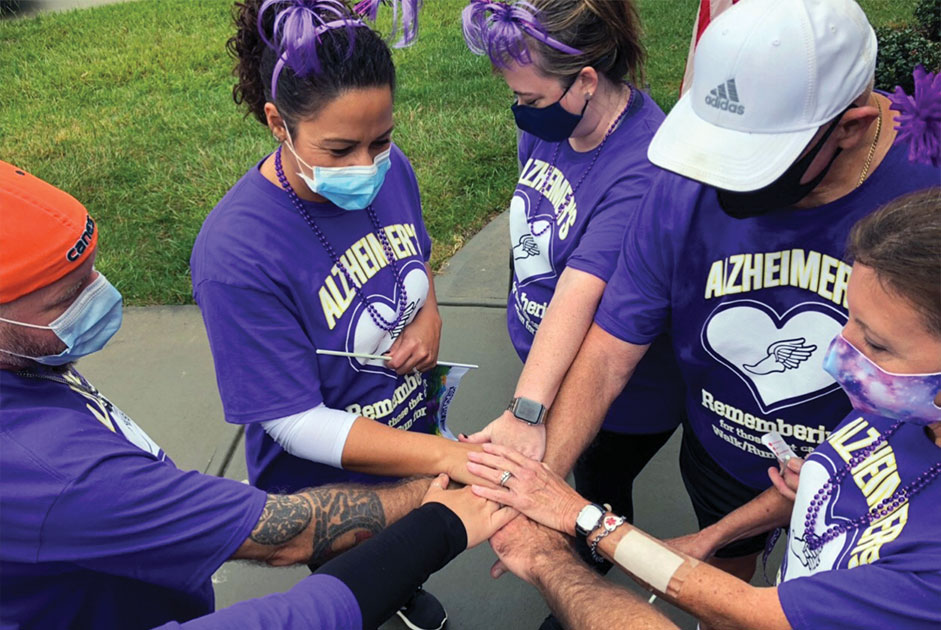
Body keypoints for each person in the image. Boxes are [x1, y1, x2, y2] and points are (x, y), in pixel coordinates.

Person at [528, 0, 941, 590]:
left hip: (884, 484)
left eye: (753, 161)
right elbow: (609, 352)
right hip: (724, 449)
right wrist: (542, 481)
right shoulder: (683, 180)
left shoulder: (927, 192)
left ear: (850, 128)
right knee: (727, 582)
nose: (716, 178)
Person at [0, 161, 513, 630]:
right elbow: (286, 538)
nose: (103, 294)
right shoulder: (55, 471)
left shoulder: (24, 363)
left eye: (92, 273)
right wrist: (441, 504)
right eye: (68, 298)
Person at [471, 187, 941, 630]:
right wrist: (711, 538)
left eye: (876, 343)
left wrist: (560, 544)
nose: (838, 351)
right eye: (848, 318)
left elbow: (748, 613)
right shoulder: (905, 407)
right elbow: (815, 491)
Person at [190, 2, 479, 626]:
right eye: (340, 148)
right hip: (327, 478)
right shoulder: (236, 253)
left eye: (382, 140)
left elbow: (415, 253)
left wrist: (428, 314)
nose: (366, 167)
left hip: (406, 428)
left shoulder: (391, 172)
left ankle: (403, 587)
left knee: (409, 551)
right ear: (278, 122)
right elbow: (294, 422)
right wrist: (442, 458)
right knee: (355, 580)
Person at [459, 0, 685, 605]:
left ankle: (583, 588)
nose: (520, 111)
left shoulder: (643, 167)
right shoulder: (550, 121)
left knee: (593, 491)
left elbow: (578, 293)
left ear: (585, 80)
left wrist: (527, 411)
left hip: (620, 397)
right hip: (548, 364)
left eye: (529, 98)